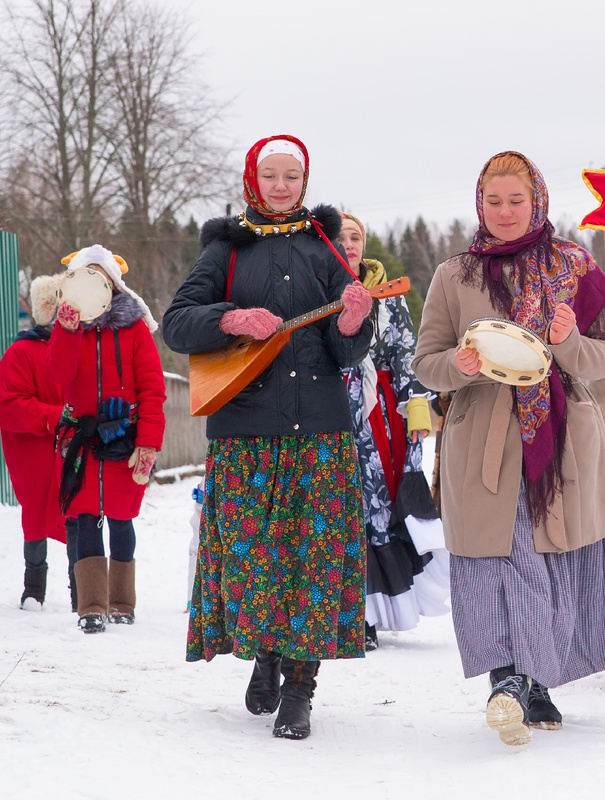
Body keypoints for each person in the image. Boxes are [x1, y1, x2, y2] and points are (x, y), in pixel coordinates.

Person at [412, 151, 605, 747]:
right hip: (482, 443)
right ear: (478, 204)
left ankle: (533, 681)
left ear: (537, 201)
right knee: (498, 556)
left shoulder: (574, 265)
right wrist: (459, 365)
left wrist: (568, 339)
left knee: (550, 556)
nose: (504, 212)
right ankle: (508, 678)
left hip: (562, 441)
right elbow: (425, 363)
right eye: (493, 201)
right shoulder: (455, 274)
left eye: (515, 201)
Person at [162, 134, 375, 740]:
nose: (282, 186)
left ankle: (300, 690)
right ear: (252, 181)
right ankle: (265, 655)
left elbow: (345, 349)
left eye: (293, 177)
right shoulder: (227, 249)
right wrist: (227, 318)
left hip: (321, 437)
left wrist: (355, 320)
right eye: (271, 176)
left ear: (305, 182)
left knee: (312, 562)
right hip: (246, 434)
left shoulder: (325, 246)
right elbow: (177, 323)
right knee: (254, 558)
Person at [338, 211, 449, 650]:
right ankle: (345, 611)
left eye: (356, 236)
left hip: (382, 418)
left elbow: (406, 352)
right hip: (331, 413)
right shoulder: (315, 288)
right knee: (341, 507)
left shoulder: (389, 295)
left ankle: (370, 613)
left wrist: (417, 410)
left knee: (379, 509)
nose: (349, 243)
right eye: (340, 236)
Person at [48, 246, 165, 634]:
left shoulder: (133, 331)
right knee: (85, 519)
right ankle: (91, 605)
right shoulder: (67, 328)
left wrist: (147, 442)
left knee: (121, 517)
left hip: (123, 439)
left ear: (112, 285)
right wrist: (65, 332)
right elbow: (58, 377)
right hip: (82, 440)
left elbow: (152, 388)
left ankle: (121, 602)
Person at [0, 274, 74, 610]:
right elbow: (10, 405)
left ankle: (82, 591)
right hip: (36, 452)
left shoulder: (80, 350)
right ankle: (34, 589)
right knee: (36, 514)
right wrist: (59, 415)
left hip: (74, 448)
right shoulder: (19, 354)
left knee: (80, 514)